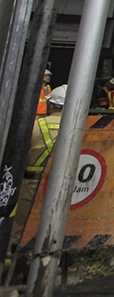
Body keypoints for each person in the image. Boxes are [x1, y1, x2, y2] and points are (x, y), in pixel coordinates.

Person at [11, 84, 65, 249]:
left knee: (19, 229)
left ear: (50, 105)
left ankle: (15, 261)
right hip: (62, 188)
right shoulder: (80, 128)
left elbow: (18, 154)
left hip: (31, 185)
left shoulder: (35, 126)